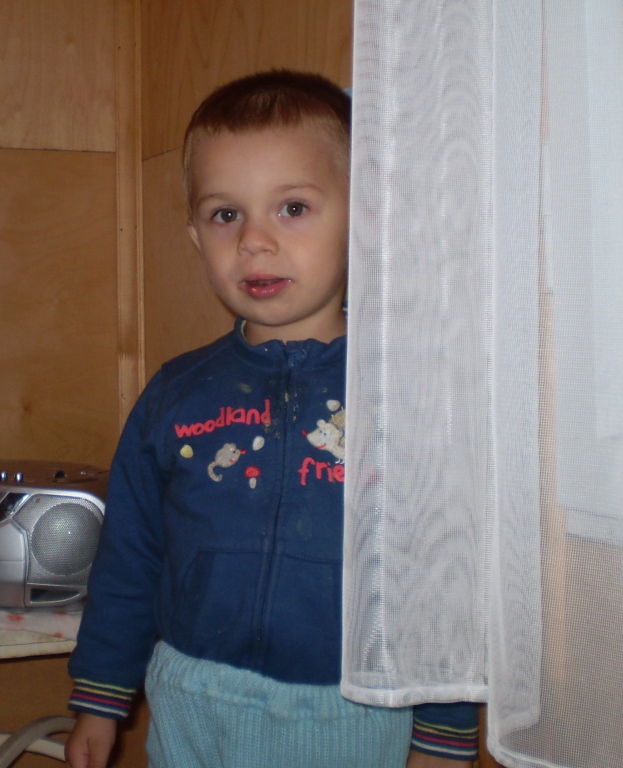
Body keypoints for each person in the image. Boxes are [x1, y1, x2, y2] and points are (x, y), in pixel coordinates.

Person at [64, 70, 480, 768]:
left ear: (362, 218)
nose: (254, 241)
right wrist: (100, 699)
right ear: (195, 235)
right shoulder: (174, 395)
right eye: (226, 215)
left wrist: (444, 735)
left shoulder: (405, 401)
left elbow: (440, 579)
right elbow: (130, 558)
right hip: (191, 704)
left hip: (352, 714)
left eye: (292, 208)